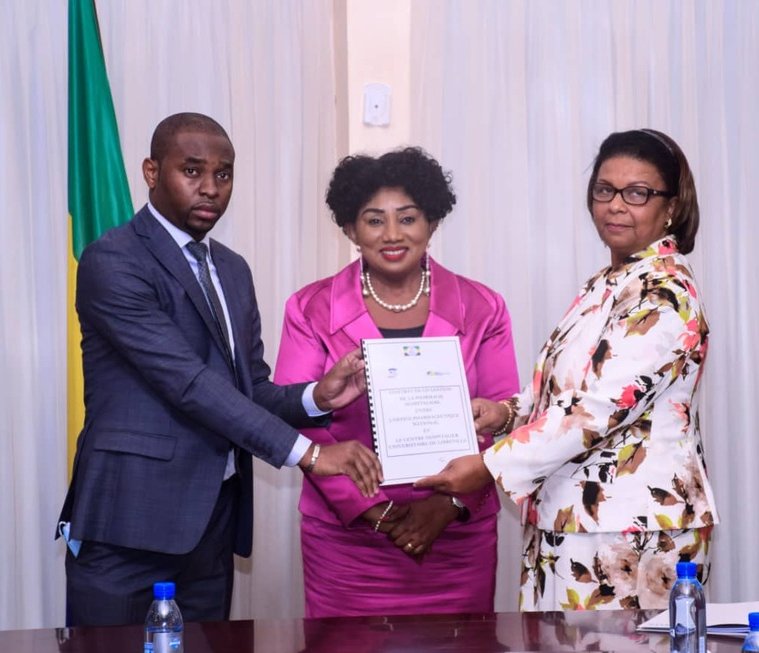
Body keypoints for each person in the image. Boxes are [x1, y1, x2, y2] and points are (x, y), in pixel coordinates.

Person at [57, 112, 382, 626]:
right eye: (192, 171)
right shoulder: (113, 260)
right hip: (128, 522)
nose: (210, 188)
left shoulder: (231, 268)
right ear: (151, 172)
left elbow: (247, 387)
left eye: (223, 174)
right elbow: (189, 383)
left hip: (211, 523)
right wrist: (310, 453)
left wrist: (316, 397)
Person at [417, 129, 719, 611]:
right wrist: (505, 413)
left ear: (672, 206)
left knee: (609, 645)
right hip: (578, 517)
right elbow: (573, 388)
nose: (615, 205)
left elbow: (597, 408)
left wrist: (489, 465)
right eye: (605, 190)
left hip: (633, 527)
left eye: (637, 193)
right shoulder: (612, 281)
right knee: (556, 641)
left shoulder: (663, 293)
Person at [273, 147, 520, 617]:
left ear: (432, 222)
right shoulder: (310, 308)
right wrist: (373, 510)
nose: (392, 234)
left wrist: (450, 503)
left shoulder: (483, 307)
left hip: (456, 536)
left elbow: (502, 417)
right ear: (350, 229)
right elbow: (295, 416)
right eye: (374, 220)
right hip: (347, 541)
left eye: (407, 218)